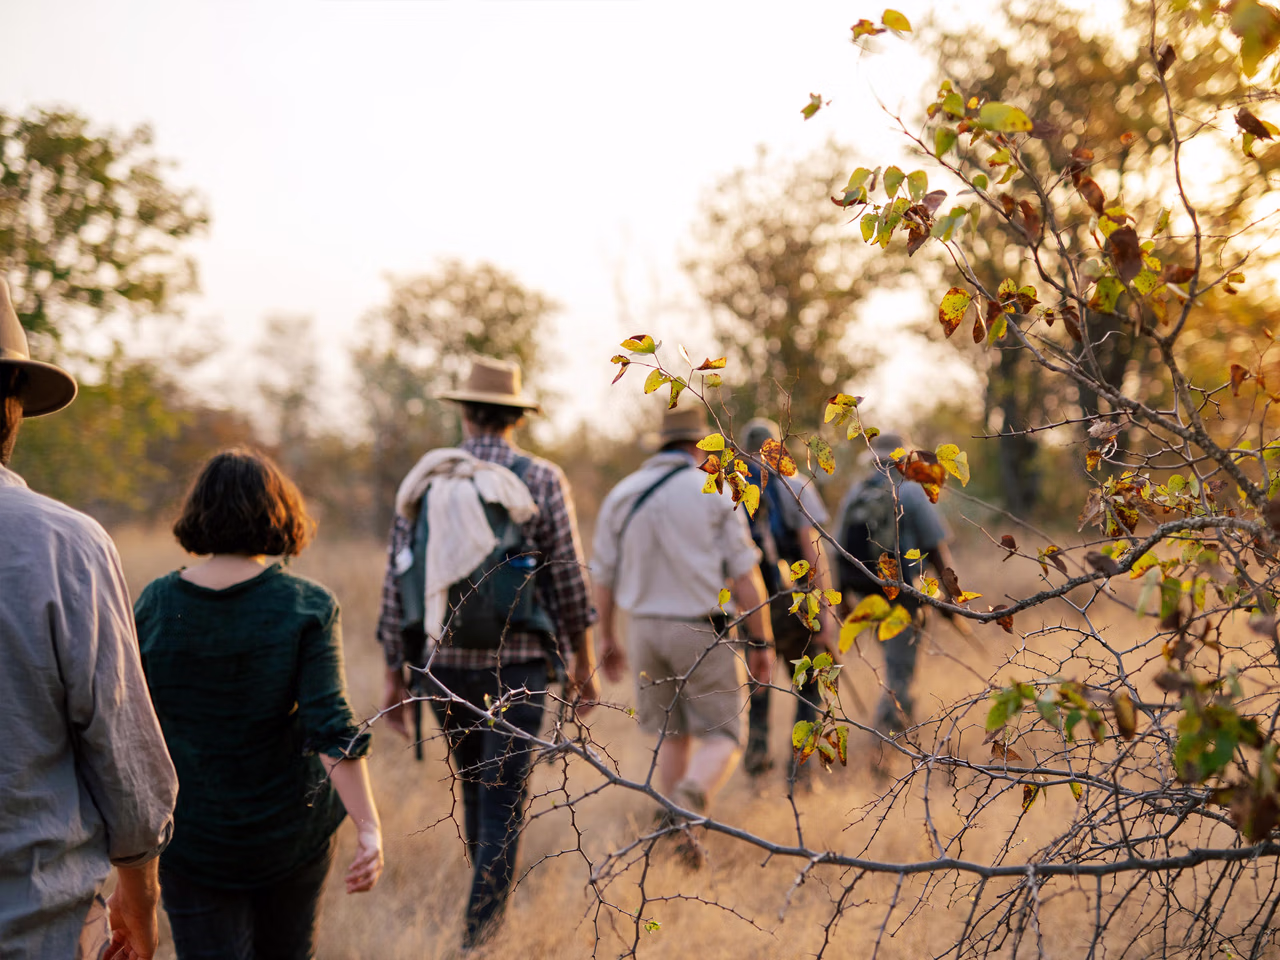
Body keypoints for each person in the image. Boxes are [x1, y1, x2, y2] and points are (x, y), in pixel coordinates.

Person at [377, 356, 597, 950]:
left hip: (441, 667)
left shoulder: (427, 481)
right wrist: (583, 660)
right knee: (504, 798)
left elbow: (397, 584)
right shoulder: (542, 478)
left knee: (477, 789)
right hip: (520, 666)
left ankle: (482, 922)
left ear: (466, 414)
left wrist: (394, 678)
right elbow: (568, 579)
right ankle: (479, 937)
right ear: (514, 418)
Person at [134, 449, 383, 960]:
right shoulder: (306, 604)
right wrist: (369, 827)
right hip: (289, 835)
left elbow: (132, 728)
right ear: (279, 513)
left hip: (191, 837)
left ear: (198, 512)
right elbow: (330, 725)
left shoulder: (156, 603)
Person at [0, 277, 179, 960]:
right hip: (32, 924)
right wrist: (140, 894)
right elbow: (124, 757)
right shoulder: (66, 545)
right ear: (13, 402)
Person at [591, 404, 774, 865]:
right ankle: (684, 809)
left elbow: (604, 576)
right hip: (700, 628)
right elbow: (746, 575)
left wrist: (606, 638)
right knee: (725, 738)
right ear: (700, 446)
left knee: (671, 736)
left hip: (644, 630)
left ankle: (679, 844)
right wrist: (762, 643)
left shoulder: (623, 493)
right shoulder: (714, 490)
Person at [834, 432, 955, 732]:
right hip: (903, 594)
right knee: (900, 670)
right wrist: (952, 597)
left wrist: (841, 601)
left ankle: (897, 733)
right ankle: (889, 738)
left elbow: (837, 549)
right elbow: (936, 547)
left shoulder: (856, 492)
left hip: (868, 593)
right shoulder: (911, 491)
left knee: (893, 662)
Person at [737, 418, 835, 785]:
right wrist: (826, 614)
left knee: (758, 686)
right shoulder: (793, 485)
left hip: (751, 607)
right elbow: (813, 554)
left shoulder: (731, 489)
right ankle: (801, 774)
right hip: (796, 605)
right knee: (809, 686)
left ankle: (757, 770)